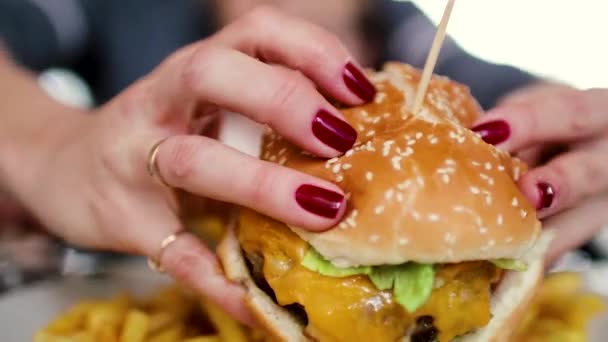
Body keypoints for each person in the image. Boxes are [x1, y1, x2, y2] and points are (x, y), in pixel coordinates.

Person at [0, 1, 606, 323]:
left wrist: (566, 138)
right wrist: (48, 142)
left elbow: (528, 102)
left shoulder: (414, 50)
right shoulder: (132, 12)